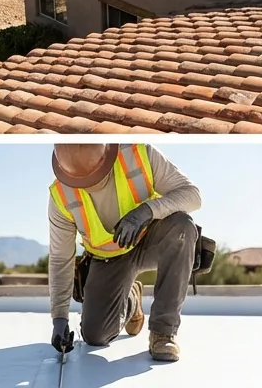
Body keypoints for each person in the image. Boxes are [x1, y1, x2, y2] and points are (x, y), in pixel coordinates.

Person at [48, 144, 202, 362]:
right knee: (95, 336)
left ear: (108, 158)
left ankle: (163, 332)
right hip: (108, 259)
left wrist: (146, 211)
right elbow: (60, 259)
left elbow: (193, 196)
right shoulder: (60, 196)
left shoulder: (139, 154)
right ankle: (131, 299)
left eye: (94, 178)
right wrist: (59, 318)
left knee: (182, 227)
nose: (89, 186)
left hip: (149, 239)